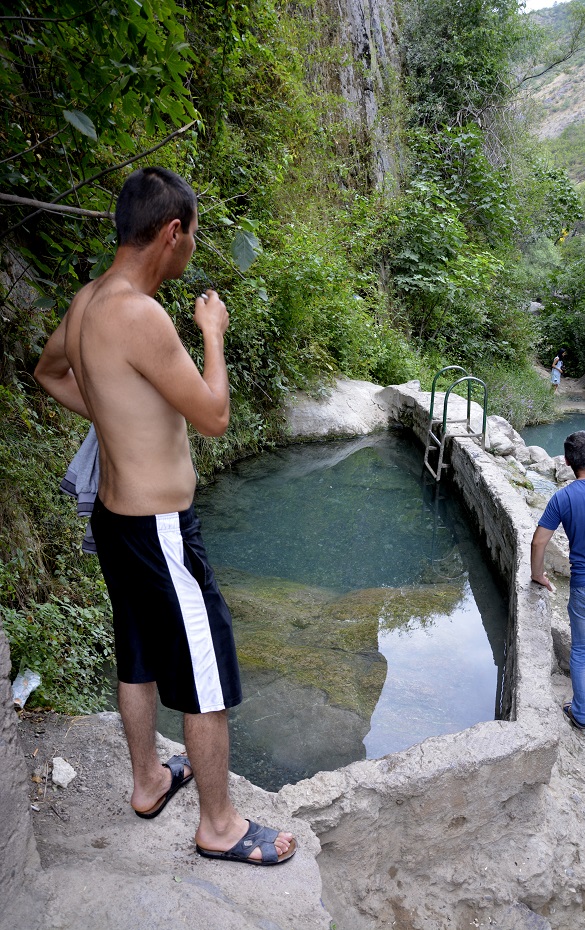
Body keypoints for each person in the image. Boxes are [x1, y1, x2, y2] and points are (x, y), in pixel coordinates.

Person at [34, 166, 297, 865]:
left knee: (138, 655)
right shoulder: (143, 314)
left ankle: (149, 780)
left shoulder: (88, 301)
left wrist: (119, 414)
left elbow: (49, 372)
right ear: (173, 233)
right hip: (159, 527)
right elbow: (213, 416)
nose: (191, 254)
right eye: (193, 239)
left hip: (115, 523)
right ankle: (220, 827)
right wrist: (211, 331)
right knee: (203, 672)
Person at [530, 430, 585, 756]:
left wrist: (538, 574)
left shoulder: (563, 497)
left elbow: (539, 541)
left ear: (567, 463)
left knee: (582, 653)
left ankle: (581, 715)